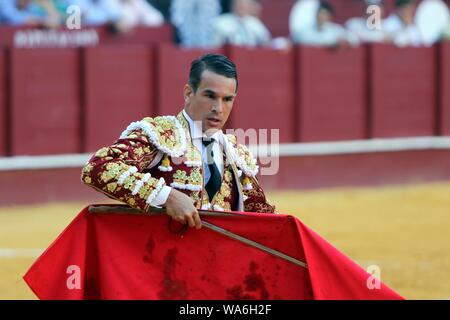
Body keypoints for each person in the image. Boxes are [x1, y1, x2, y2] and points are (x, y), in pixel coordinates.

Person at [81, 54, 276, 230]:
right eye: (210, 96)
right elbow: (98, 168)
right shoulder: (160, 133)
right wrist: (167, 196)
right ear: (188, 93)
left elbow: (263, 220)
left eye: (227, 99)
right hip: (160, 263)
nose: (218, 108)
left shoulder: (236, 154)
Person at [291, 1, 357, 47]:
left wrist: (345, 41)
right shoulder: (306, 31)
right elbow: (294, 39)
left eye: (324, 14)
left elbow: (353, 38)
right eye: (320, 13)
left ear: (330, 16)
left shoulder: (335, 30)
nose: (321, 16)